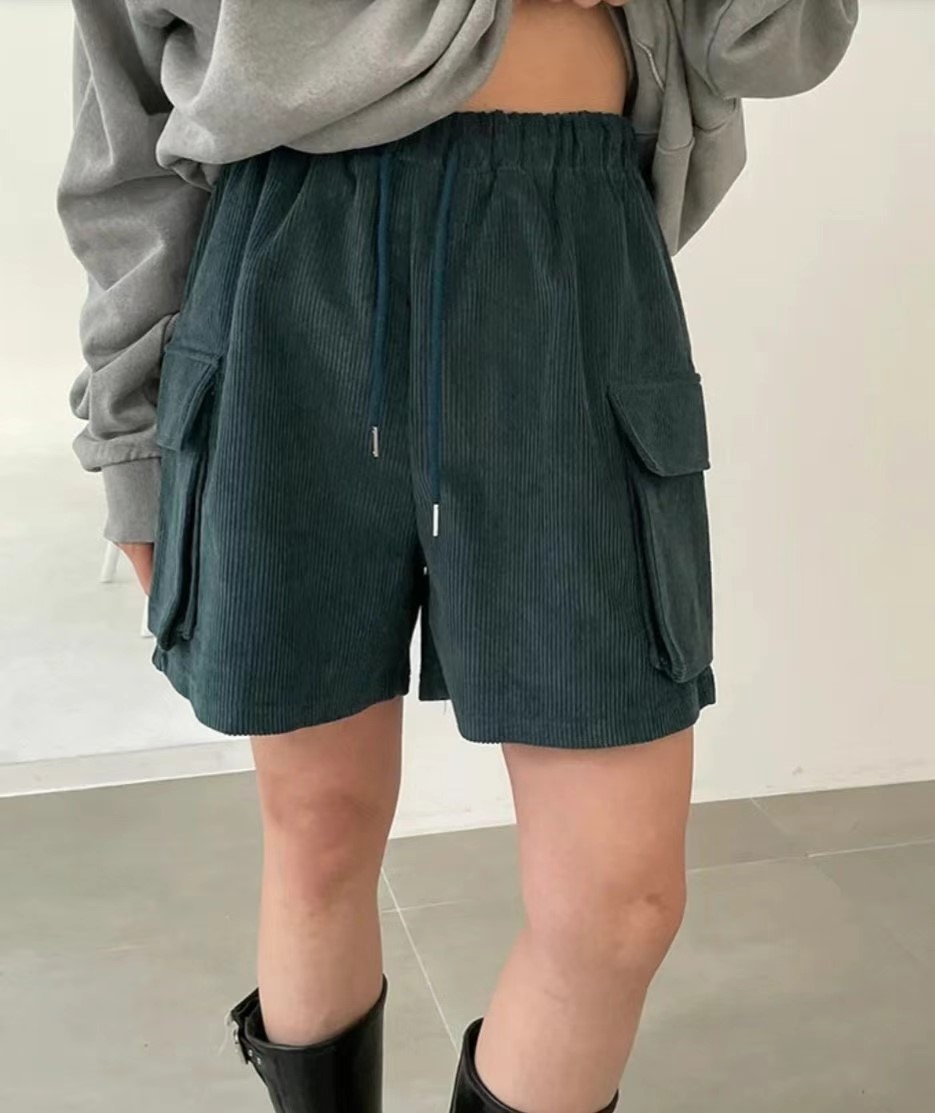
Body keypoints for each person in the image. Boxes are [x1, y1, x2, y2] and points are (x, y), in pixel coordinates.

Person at [57, 1, 858, 1110]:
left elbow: (773, 36)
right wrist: (130, 441)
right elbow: (124, 115)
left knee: (618, 903)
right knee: (319, 829)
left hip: (564, 261)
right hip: (285, 273)